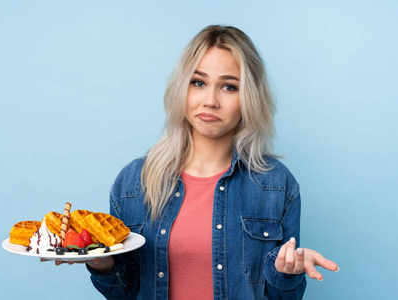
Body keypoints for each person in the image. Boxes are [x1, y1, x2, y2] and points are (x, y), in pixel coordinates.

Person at [56, 25, 339, 299]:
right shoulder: (133, 183)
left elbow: (283, 298)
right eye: (198, 82)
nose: (210, 100)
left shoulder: (276, 185)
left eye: (229, 87)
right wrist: (99, 261)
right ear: (183, 88)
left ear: (249, 98)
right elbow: (123, 292)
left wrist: (286, 273)